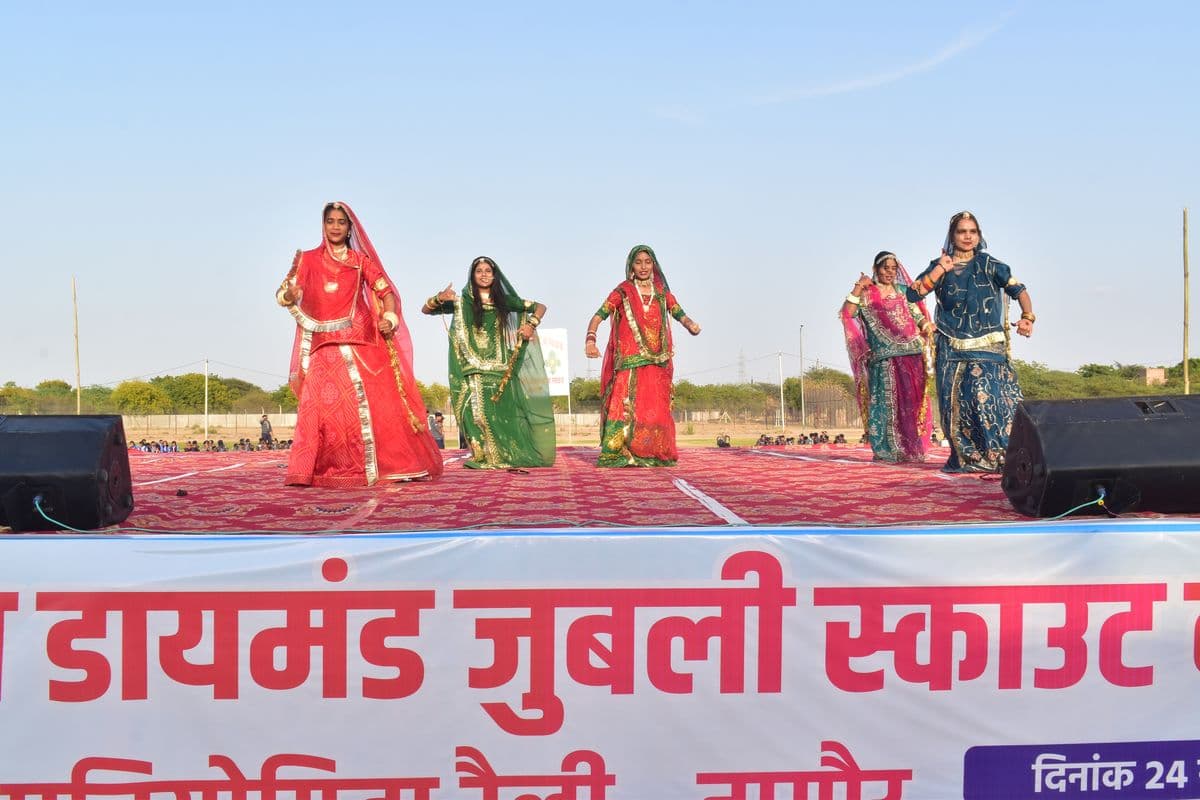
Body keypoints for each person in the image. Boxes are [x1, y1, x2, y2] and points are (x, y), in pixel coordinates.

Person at [277, 201, 443, 486]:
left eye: (341, 222)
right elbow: (283, 294)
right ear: (323, 224)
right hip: (323, 342)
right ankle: (314, 470)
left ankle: (386, 466)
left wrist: (389, 318)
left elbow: (385, 291)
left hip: (361, 339)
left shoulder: (360, 261)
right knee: (320, 408)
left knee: (375, 404)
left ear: (349, 227)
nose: (336, 226)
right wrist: (289, 295)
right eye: (331, 221)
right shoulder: (308, 260)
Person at [906, 210, 1035, 472]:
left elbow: (1019, 290)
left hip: (988, 345)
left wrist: (1028, 317)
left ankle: (1000, 457)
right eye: (962, 231)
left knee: (988, 399)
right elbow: (913, 293)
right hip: (951, 345)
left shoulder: (991, 265)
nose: (967, 236)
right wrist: (941, 268)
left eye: (972, 232)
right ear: (953, 236)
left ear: (979, 236)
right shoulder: (940, 265)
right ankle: (967, 459)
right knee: (955, 403)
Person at [422, 256, 555, 469]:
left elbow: (540, 306)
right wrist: (439, 297)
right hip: (469, 364)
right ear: (472, 275)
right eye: (479, 271)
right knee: (470, 412)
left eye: (488, 271)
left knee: (498, 413)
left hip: (498, 366)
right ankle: (482, 456)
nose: (484, 274)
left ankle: (502, 455)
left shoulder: (503, 301)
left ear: (495, 276)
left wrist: (531, 324)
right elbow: (426, 310)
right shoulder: (462, 301)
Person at [584, 245, 701, 466]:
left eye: (648, 262)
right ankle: (617, 453)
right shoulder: (623, 291)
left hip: (657, 360)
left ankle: (651, 453)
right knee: (623, 405)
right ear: (631, 266)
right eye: (638, 262)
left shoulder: (662, 293)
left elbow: (679, 314)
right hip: (629, 359)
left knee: (655, 409)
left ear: (654, 265)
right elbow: (599, 315)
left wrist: (690, 325)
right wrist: (590, 339)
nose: (643, 266)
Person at [840, 251, 934, 463]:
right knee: (885, 404)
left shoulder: (903, 291)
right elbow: (848, 312)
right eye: (885, 268)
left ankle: (911, 449)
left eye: (894, 268)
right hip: (883, 357)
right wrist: (858, 286)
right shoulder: (866, 294)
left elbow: (916, 314)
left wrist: (926, 326)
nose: (890, 272)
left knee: (912, 404)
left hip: (911, 353)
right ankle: (887, 450)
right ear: (876, 269)